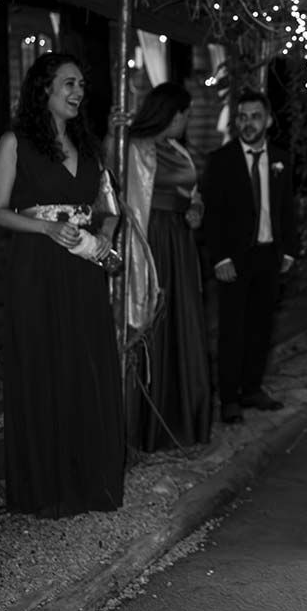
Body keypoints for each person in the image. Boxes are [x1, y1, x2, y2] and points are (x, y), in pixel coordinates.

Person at [0, 52, 124, 517]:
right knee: (44, 365)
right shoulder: (16, 143)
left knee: (85, 366)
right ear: (44, 89)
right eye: (69, 83)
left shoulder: (88, 147)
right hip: (36, 270)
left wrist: (103, 237)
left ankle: (89, 481)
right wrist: (45, 228)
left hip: (82, 270)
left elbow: (106, 208)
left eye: (81, 84)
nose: (78, 92)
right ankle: (45, 486)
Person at [123, 82, 212, 451]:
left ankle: (184, 415)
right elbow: (123, 200)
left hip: (180, 242)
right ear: (171, 114)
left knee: (184, 322)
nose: (188, 120)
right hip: (154, 242)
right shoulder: (134, 148)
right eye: (185, 114)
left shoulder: (178, 150)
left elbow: (193, 196)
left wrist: (195, 210)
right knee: (155, 323)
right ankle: (147, 425)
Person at [201, 89, 296, 424]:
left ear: (268, 120)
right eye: (242, 116)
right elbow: (212, 215)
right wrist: (220, 258)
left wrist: (289, 251)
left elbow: (287, 208)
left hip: (270, 255)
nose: (248, 123)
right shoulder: (222, 160)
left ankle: (252, 388)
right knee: (232, 330)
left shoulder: (281, 157)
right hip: (235, 259)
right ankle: (229, 398)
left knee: (261, 327)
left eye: (255, 116)